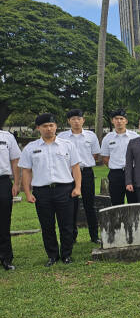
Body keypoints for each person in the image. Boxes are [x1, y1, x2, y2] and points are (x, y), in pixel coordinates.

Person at [19, 114, 81, 266]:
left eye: (51, 125)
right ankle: (52, 255)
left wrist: (77, 187)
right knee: (47, 226)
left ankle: (66, 255)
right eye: (45, 126)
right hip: (42, 192)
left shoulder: (67, 145)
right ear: (38, 128)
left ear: (56, 126)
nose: (49, 128)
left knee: (66, 225)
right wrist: (27, 192)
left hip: (64, 189)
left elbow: (75, 167)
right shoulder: (31, 148)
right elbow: (26, 171)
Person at [58, 109, 101, 244]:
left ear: (83, 120)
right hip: (68, 174)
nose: (76, 121)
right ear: (68, 121)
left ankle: (94, 236)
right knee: (71, 206)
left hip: (86, 172)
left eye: (78, 118)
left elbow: (94, 155)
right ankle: (72, 236)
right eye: (73, 119)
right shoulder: (62, 137)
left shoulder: (91, 136)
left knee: (90, 205)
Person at [100, 109, 139, 205]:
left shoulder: (134, 136)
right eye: (116, 119)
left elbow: (139, 156)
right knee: (116, 203)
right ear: (112, 121)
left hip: (132, 173)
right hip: (115, 174)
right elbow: (105, 157)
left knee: (134, 203)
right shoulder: (108, 138)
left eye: (121, 118)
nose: (119, 121)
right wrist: (115, 166)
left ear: (126, 121)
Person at [0, 128, 20, 270]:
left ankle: (6, 258)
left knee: (4, 221)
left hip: (3, 182)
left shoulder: (7, 137)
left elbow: (15, 161)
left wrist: (17, 183)